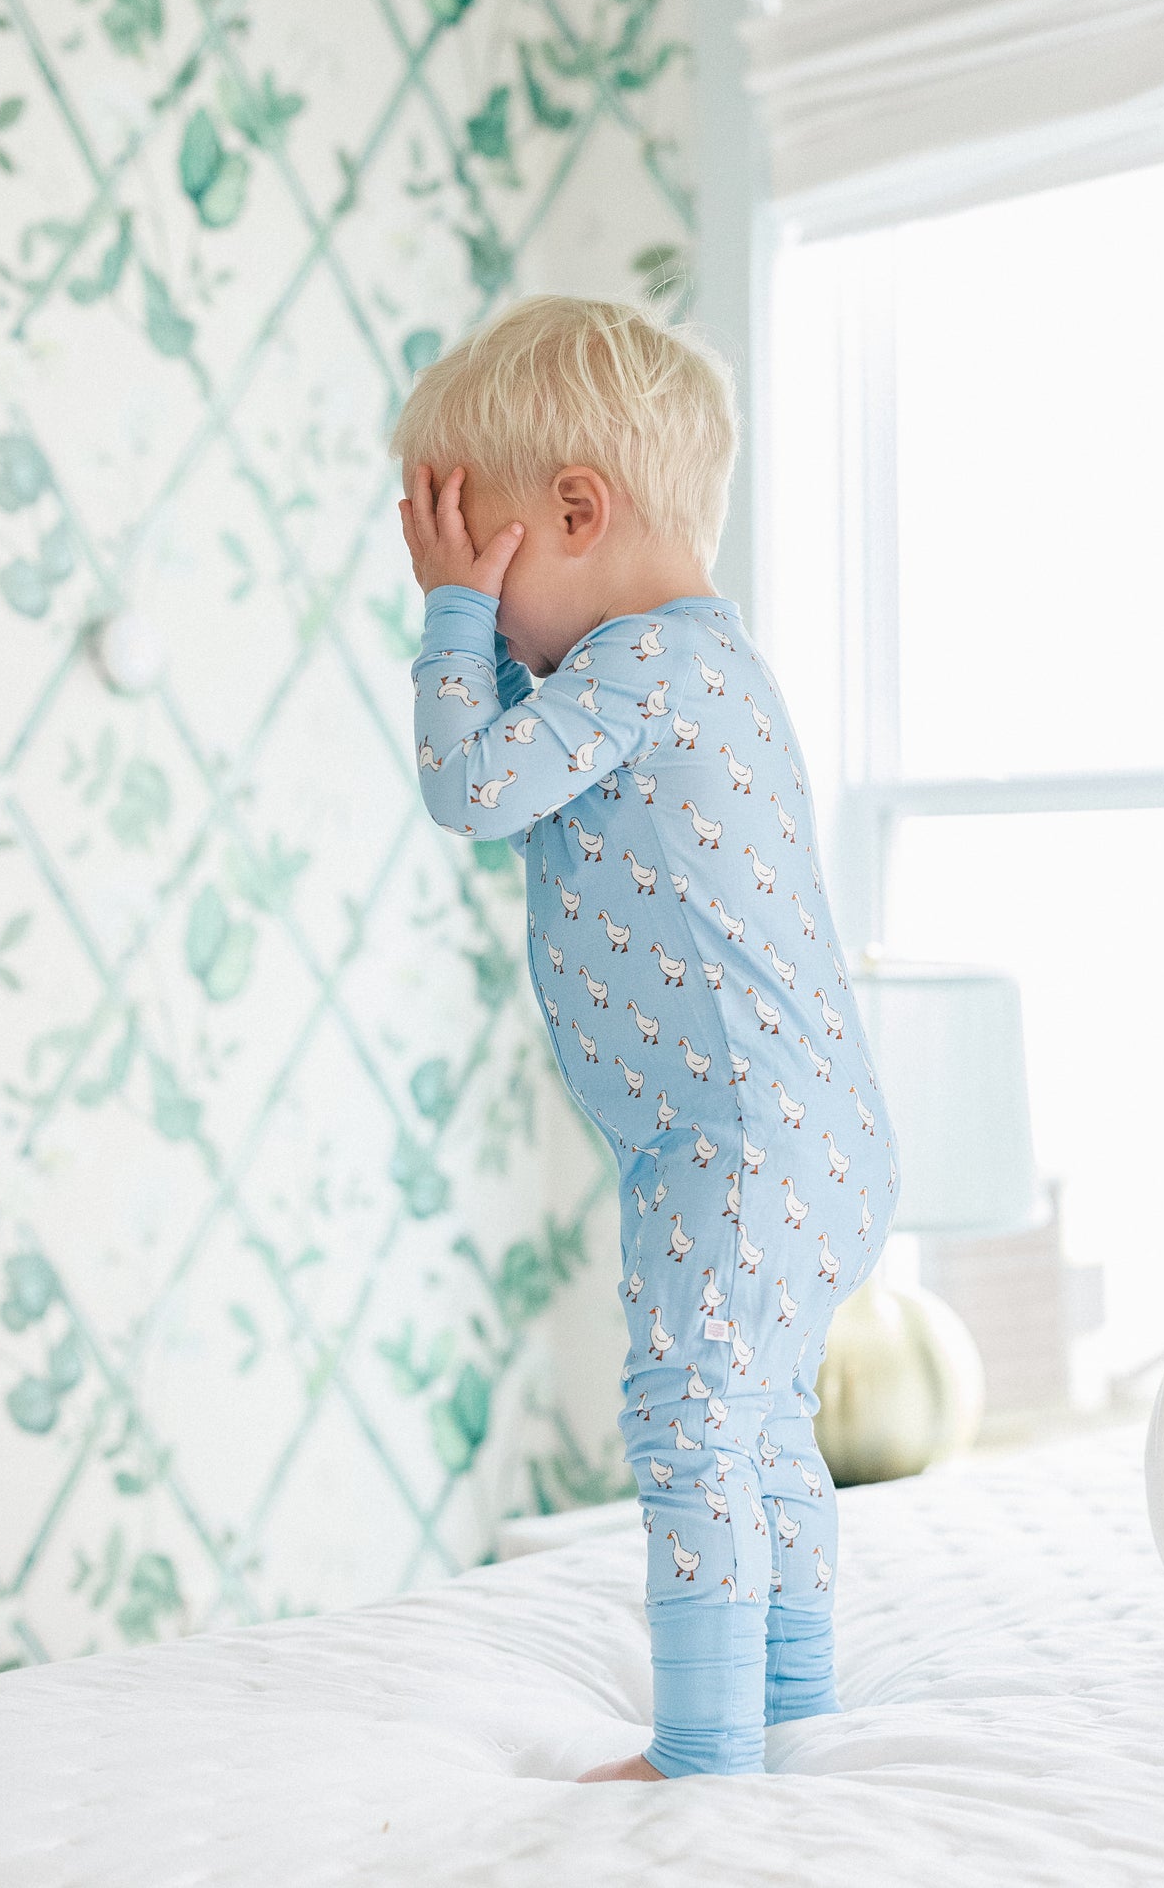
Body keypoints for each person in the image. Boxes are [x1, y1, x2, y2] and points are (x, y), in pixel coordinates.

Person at [390, 294, 901, 1781]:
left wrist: (444, 623)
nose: (476, 608)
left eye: (480, 558)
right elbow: (521, 777)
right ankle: (789, 1705)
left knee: (688, 1420)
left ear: (574, 511)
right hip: (810, 1135)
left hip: (729, 1140)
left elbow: (469, 787)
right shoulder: (696, 666)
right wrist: (485, 620)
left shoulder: (638, 668)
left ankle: (703, 1751)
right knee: (761, 1424)